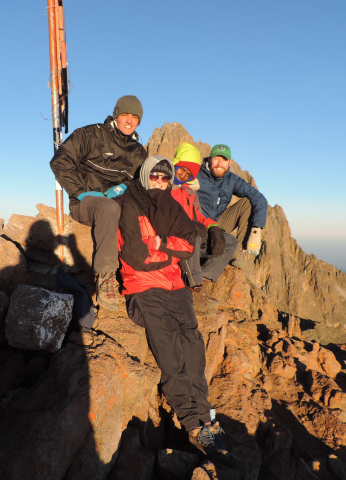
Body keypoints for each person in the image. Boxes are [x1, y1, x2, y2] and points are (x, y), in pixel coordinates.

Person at [117, 155, 235, 465]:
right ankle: (194, 426)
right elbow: (137, 256)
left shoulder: (172, 206)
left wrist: (161, 244)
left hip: (176, 287)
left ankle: (207, 418)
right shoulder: (130, 205)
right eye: (154, 176)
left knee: (194, 351)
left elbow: (189, 243)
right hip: (144, 289)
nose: (159, 182)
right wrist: (170, 251)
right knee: (171, 358)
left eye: (165, 177)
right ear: (144, 176)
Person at [50, 95, 147, 311]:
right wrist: (82, 193)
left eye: (135, 117)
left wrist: (124, 187)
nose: (129, 121)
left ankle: (142, 278)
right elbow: (60, 161)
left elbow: (141, 182)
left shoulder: (138, 151)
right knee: (108, 207)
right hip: (85, 203)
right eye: (125, 115)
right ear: (116, 115)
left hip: (118, 203)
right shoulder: (90, 135)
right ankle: (105, 277)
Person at [170, 143, 237, 290]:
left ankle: (204, 278)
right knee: (192, 234)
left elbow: (198, 216)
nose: (184, 175)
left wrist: (213, 227)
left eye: (189, 173)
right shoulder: (164, 187)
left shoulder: (189, 193)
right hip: (175, 242)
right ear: (175, 165)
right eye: (182, 169)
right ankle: (192, 281)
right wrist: (189, 225)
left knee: (230, 241)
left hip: (193, 243)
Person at [196, 144, 268, 265]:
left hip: (217, 225)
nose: (220, 163)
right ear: (209, 159)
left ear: (230, 162)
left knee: (247, 203)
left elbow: (259, 198)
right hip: (198, 225)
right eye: (216, 158)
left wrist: (256, 230)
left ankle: (234, 256)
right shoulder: (196, 174)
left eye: (224, 160)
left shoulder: (231, 180)